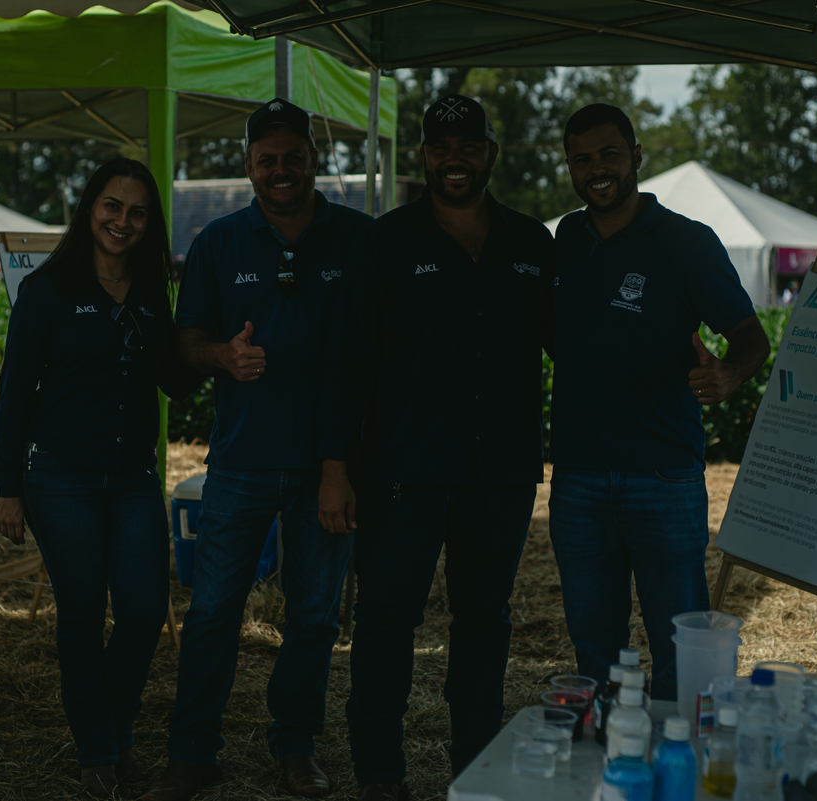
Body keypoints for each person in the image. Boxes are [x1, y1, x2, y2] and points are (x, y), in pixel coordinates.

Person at [317, 94, 555, 801]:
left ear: (490, 153)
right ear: (423, 155)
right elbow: (347, 361)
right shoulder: (385, 242)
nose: (456, 160)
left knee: (484, 624)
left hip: (499, 475)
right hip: (402, 476)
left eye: (468, 146)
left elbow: (575, 342)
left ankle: (473, 771)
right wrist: (335, 468)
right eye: (441, 147)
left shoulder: (530, 243)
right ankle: (380, 775)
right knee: (386, 624)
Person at [142, 98, 370, 801]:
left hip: (328, 468)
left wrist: (341, 466)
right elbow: (186, 341)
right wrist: (222, 355)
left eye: (292, 157)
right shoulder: (218, 242)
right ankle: (192, 753)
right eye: (266, 159)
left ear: (314, 159)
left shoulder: (358, 238)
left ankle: (295, 746)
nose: (281, 170)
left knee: (314, 617)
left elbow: (374, 356)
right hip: (240, 464)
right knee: (213, 611)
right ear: (247, 165)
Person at [0, 158, 200, 798]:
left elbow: (174, 381)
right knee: (81, 615)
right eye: (112, 206)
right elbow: (14, 394)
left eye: (137, 212)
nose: (122, 221)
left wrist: (213, 345)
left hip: (133, 479)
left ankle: (113, 727)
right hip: (60, 480)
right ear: (89, 209)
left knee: (142, 613)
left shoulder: (150, 290)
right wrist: (7, 486)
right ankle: (100, 753)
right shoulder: (47, 291)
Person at [547, 104, 770, 702]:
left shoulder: (687, 242)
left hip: (664, 477)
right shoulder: (565, 238)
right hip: (578, 478)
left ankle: (680, 757)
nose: (597, 169)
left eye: (609, 154)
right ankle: (608, 755)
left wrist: (729, 373)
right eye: (582, 159)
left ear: (636, 156)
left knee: (681, 653)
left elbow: (752, 336)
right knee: (595, 652)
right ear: (569, 166)